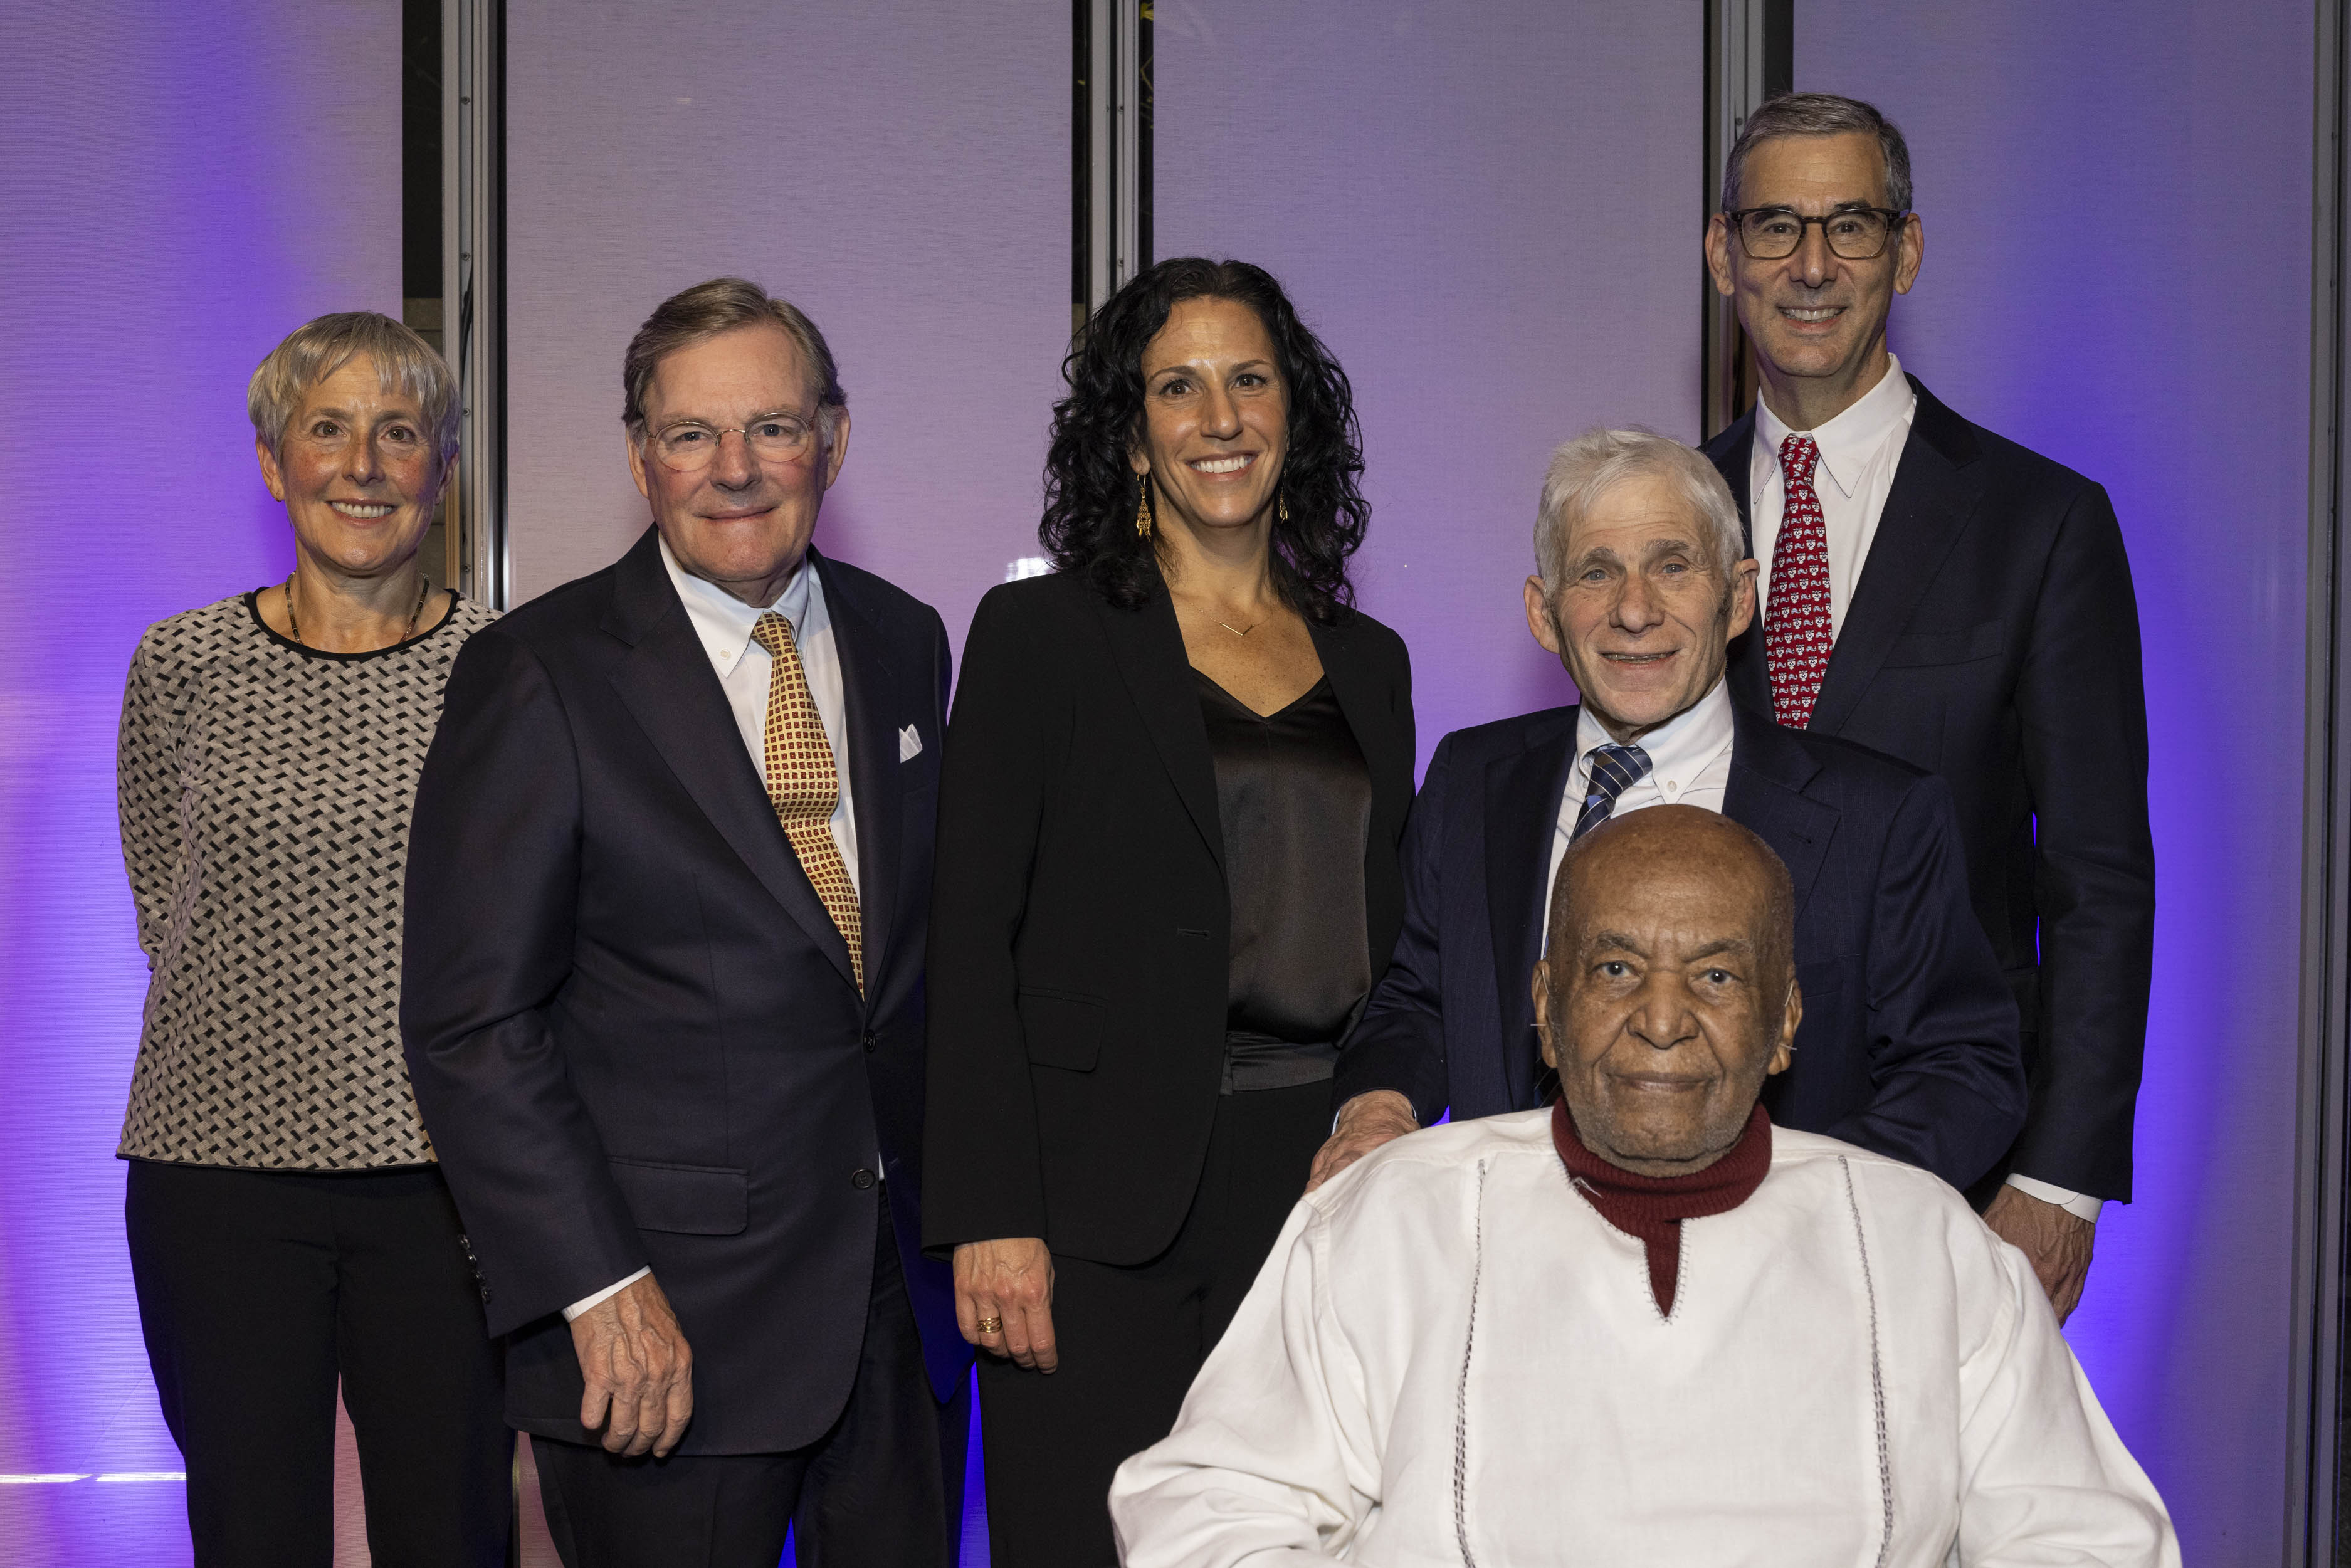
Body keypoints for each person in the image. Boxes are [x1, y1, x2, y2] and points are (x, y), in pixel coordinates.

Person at [1112, 807, 2178, 1567]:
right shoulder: (1389, 1219)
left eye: (1717, 975)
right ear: (1544, 1000)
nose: (1662, 1019)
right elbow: (1208, 1511)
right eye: (1615, 968)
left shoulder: (1926, 1243)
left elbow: (2084, 1535)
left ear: (1787, 1020)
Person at [400, 278, 969, 1567]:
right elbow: (470, 1022)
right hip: (662, 1323)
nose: (736, 469)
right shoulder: (538, 670)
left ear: (833, 441)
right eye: (692, 433)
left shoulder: (904, 638)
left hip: (898, 1312)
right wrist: (595, 1285)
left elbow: (918, 967)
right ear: (639, 455)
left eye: (772, 427)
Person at [922, 257, 1415, 1566]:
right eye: (1178, 385)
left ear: (1293, 412)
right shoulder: (1039, 634)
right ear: (1129, 429)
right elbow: (968, 942)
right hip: (1087, 1213)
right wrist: (990, 1211)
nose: (1220, 415)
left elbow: (1399, 950)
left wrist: (1390, 1106)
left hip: (1319, 1201)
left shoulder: (1370, 661)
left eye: (1250, 379)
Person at [1696, 93, 2153, 1321]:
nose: (1810, 265)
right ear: (1721, 251)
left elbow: (2099, 875)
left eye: (1849, 224)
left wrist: (2063, 1176)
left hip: (1961, 1166)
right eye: (1776, 225)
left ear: (1905, 249)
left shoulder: (2039, 523)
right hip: (1689, 1153)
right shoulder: (1663, 518)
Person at [1318, 428, 2023, 1196]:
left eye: (1673, 566)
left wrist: (1795, 1205)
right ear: (1544, 612)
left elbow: (1964, 1070)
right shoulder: (1471, 779)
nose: (1633, 610)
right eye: (1596, 572)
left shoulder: (1880, 818)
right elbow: (1418, 997)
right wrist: (1378, 1109)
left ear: (1739, 597)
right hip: (1519, 1272)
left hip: (1774, 1286)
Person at [115, 311, 507, 1565]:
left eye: (401, 433)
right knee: (249, 1525)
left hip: (452, 1182)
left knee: (449, 1525)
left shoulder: (510, 664)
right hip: (216, 1178)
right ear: (273, 460)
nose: (363, 463)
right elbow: (160, 899)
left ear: (442, 470)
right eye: (327, 429)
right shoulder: (178, 663)